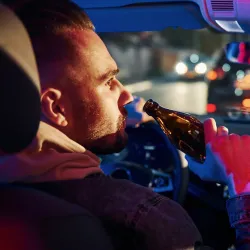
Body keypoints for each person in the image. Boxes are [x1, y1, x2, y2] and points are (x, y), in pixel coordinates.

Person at [1, 0, 248, 249]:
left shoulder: (13, 193)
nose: (127, 95)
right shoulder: (144, 217)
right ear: (56, 108)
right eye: (108, 82)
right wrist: (242, 186)